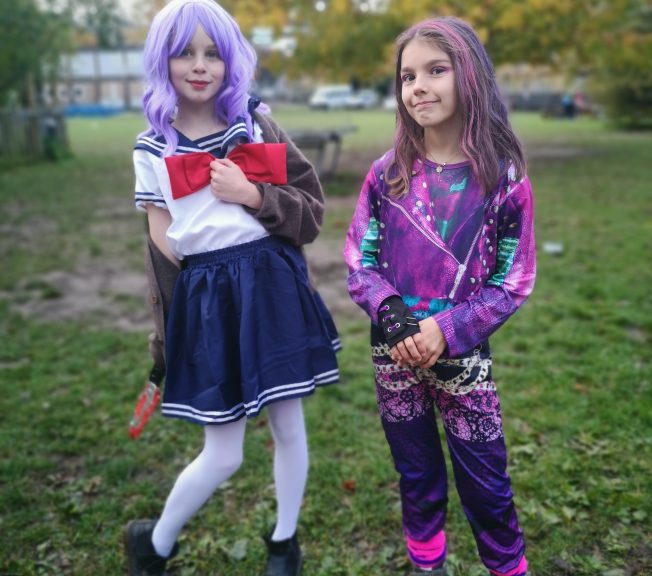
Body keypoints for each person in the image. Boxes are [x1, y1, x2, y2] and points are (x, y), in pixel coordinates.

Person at [123, 1, 340, 575]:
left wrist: (252, 196)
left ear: (231, 60)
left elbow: (311, 213)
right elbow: (162, 245)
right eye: (185, 53)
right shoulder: (153, 149)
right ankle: (154, 542)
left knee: (289, 427)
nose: (200, 66)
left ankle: (284, 541)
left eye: (213, 53)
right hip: (210, 302)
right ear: (161, 61)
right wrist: (176, 325)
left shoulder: (255, 120)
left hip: (272, 287)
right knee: (222, 454)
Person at [344, 17, 536, 576]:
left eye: (435, 70)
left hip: (463, 361)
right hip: (394, 355)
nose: (418, 86)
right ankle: (427, 565)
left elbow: (513, 280)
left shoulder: (502, 177)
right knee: (418, 476)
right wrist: (396, 321)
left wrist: (447, 331)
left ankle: (507, 567)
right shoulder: (387, 175)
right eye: (407, 76)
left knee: (487, 487)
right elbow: (361, 261)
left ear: (469, 75)